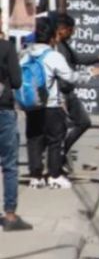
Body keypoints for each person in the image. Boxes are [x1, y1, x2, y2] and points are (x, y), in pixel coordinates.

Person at [24, 17, 96, 190]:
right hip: (51, 104)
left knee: (34, 139)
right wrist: (89, 74)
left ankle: (35, 177)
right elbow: (70, 76)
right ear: (51, 38)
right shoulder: (53, 55)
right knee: (55, 140)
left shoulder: (26, 54)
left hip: (32, 104)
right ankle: (54, 175)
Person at [50, 13, 90, 174]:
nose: (73, 33)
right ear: (62, 29)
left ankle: (61, 156)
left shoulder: (65, 46)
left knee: (82, 123)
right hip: (63, 93)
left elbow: (78, 59)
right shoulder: (57, 48)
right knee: (60, 130)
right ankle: (57, 163)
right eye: (71, 30)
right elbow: (61, 74)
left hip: (68, 92)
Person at [0, 32, 31, 230]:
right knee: (9, 164)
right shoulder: (6, 47)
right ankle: (10, 215)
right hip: (3, 110)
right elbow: (17, 81)